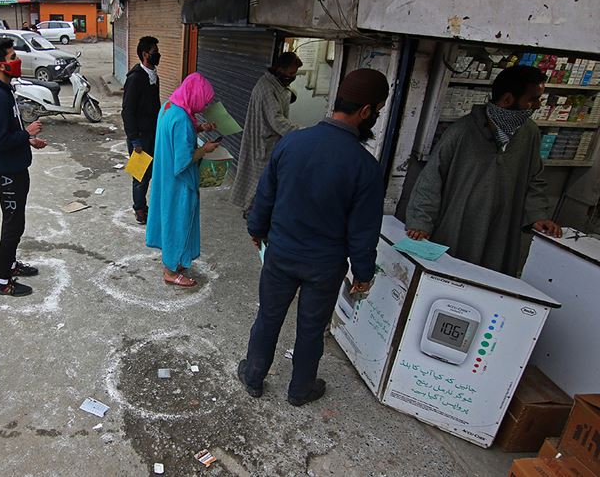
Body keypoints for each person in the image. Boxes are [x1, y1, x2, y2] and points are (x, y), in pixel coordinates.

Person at [237, 68, 389, 406]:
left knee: (269, 316)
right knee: (311, 327)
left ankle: (253, 376)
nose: (375, 117)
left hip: (281, 254)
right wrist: (363, 272)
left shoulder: (292, 142)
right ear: (365, 112)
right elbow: (363, 230)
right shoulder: (364, 166)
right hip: (325, 265)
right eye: (376, 110)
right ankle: (300, 388)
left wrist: (256, 230)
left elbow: (265, 195)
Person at [404, 65, 562, 276]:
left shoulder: (529, 133)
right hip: (458, 227)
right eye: (532, 99)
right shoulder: (461, 132)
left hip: (501, 231)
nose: (537, 105)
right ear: (507, 99)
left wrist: (538, 215)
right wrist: (420, 222)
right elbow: (431, 179)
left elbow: (534, 179)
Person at [0, 38, 48, 296]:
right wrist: (26, 132)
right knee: (13, 226)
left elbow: (7, 132)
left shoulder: (3, 89)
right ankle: (2, 279)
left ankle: (11, 264)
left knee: (16, 222)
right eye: (12, 57)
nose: (17, 61)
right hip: (7, 172)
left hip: (15, 166)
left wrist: (27, 140)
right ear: (0, 65)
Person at [145, 73, 220, 288]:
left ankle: (173, 261)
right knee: (177, 221)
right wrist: (205, 149)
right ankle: (170, 271)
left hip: (164, 176)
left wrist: (199, 128)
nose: (204, 106)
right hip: (179, 182)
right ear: (194, 95)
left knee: (168, 218)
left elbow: (174, 134)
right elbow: (184, 160)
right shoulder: (183, 119)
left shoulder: (169, 106)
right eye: (203, 101)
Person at [230, 52, 303, 216]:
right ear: (279, 69)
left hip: (267, 140)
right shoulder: (267, 88)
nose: (292, 77)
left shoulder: (275, 84)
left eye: (295, 74)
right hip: (264, 142)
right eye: (291, 73)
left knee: (260, 179)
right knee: (260, 180)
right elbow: (276, 121)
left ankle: (254, 212)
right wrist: (302, 132)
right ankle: (252, 213)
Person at [121, 36, 162, 225]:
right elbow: (127, 111)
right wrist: (134, 139)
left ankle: (147, 206)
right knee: (140, 175)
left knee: (152, 172)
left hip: (153, 133)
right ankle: (139, 208)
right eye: (154, 52)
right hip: (139, 137)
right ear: (145, 54)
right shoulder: (135, 78)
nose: (157, 55)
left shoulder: (154, 76)